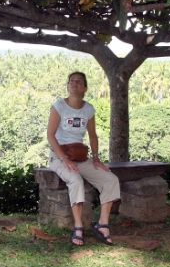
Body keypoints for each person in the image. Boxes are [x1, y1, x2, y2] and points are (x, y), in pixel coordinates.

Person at [46, 72, 120, 246]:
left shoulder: (88, 109)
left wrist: (95, 158)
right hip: (59, 156)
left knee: (110, 179)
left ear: (85, 88)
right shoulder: (59, 107)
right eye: (71, 80)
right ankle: (78, 227)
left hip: (80, 156)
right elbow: (50, 135)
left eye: (79, 81)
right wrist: (64, 158)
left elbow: (93, 136)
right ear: (67, 86)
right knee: (75, 180)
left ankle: (103, 224)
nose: (75, 83)